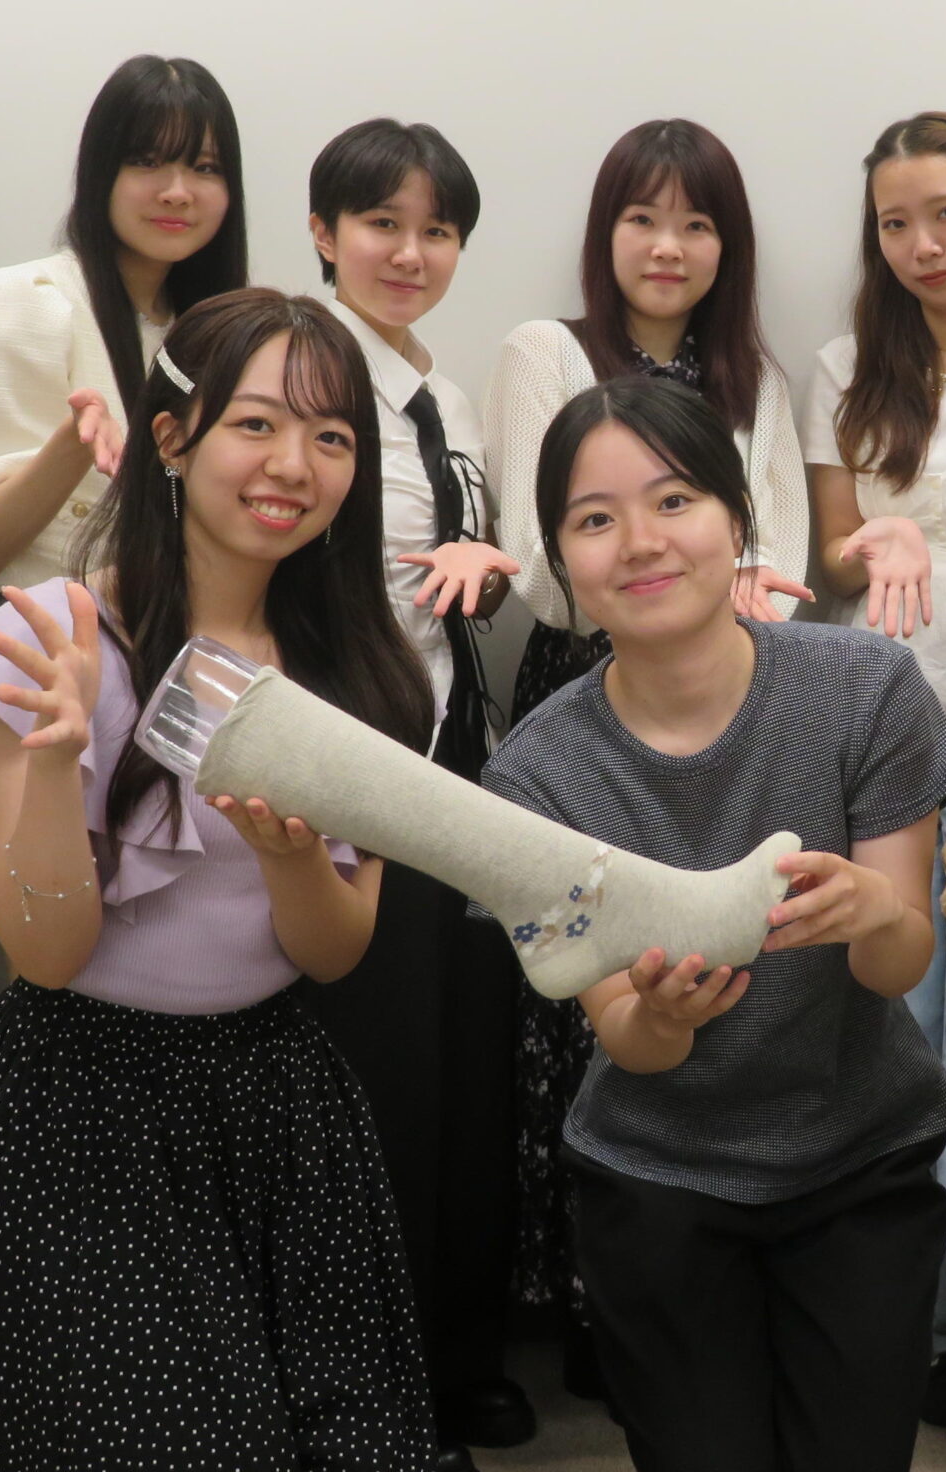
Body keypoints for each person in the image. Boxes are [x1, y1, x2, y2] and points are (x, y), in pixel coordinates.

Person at [0, 289, 435, 1471]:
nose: (293, 465)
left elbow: (334, 952)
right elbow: (46, 956)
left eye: (331, 435)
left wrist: (292, 859)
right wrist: (55, 768)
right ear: (171, 436)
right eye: (256, 424)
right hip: (76, 1108)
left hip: (280, 1109)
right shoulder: (49, 638)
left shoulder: (363, 673)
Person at [482, 376, 946, 1472]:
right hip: (658, 1181)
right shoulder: (532, 779)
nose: (641, 542)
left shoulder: (865, 688)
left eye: (674, 500)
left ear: (737, 518)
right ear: (562, 561)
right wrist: (659, 1015)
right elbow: (628, 1037)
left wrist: (874, 909)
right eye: (594, 519)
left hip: (860, 1162)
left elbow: (898, 968)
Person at [480, 118, 809, 1382]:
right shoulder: (545, 352)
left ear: (728, 245)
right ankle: (591, 1309)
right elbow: (541, 563)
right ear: (603, 233)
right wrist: (681, 583)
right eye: (642, 218)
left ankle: (731, 1283)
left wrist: (731, 599)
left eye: (696, 222)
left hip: (740, 692)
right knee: (590, 996)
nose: (668, 246)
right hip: (588, 683)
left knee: (718, 970)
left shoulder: (756, 378)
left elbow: (783, 555)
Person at [796, 110, 946, 1430]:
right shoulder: (848, 365)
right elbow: (830, 550)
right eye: (895, 222)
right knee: (893, 1063)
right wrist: (874, 544)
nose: (922, 243)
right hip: (884, 730)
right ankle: (913, 1351)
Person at [305, 117, 529, 1466]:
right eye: (381, 224)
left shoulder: (439, 389)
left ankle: (457, 1356)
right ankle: (373, 1390)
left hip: (452, 756)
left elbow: (445, 566)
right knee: (373, 1078)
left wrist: (487, 569)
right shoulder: (299, 366)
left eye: (436, 230)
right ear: (323, 233)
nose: (409, 252)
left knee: (461, 1068)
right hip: (346, 753)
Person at [0, 55, 248, 911]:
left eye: (205, 167)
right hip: (39, 661)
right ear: (100, 171)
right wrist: (72, 445)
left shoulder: (218, 335)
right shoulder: (26, 303)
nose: (177, 190)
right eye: (148, 161)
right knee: (38, 940)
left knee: (173, 938)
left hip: (177, 667)